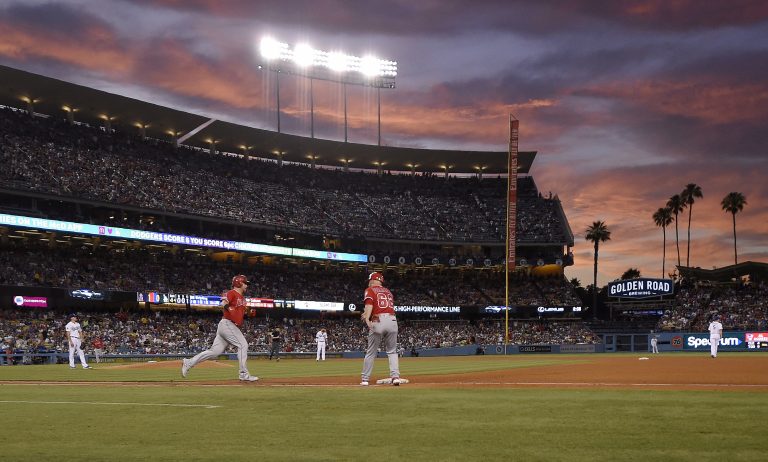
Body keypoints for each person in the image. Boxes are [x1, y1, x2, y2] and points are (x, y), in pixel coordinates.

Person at [181, 275, 258, 382]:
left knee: (215, 352)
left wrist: (249, 312)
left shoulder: (243, 298)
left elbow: (241, 311)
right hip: (228, 324)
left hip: (229, 326)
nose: (247, 286)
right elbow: (223, 302)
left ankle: (189, 362)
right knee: (243, 345)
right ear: (239, 283)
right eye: (245, 283)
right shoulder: (232, 293)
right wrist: (229, 308)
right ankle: (243, 374)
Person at [360, 272, 401, 386]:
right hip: (392, 320)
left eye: (370, 280)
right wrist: (367, 313)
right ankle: (395, 377)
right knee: (392, 351)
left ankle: (365, 379)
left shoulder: (370, 290)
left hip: (378, 320)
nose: (369, 283)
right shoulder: (388, 291)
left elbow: (370, 305)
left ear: (373, 280)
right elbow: (383, 306)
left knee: (371, 352)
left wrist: (367, 318)